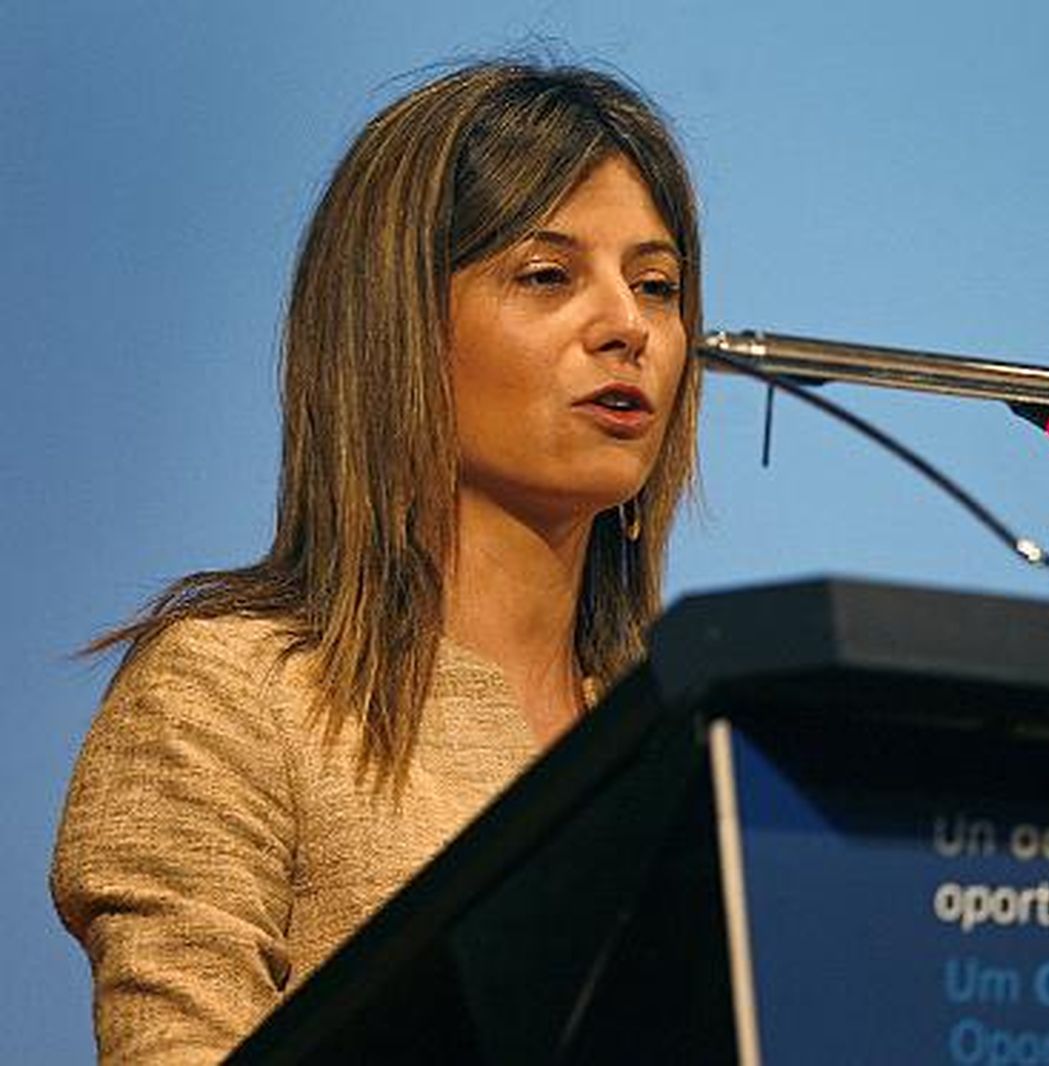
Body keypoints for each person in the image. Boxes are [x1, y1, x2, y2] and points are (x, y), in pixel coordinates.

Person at [50, 60, 702, 1063]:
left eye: (656, 286)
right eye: (547, 275)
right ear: (395, 327)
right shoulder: (227, 696)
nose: (629, 327)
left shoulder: (688, 734)